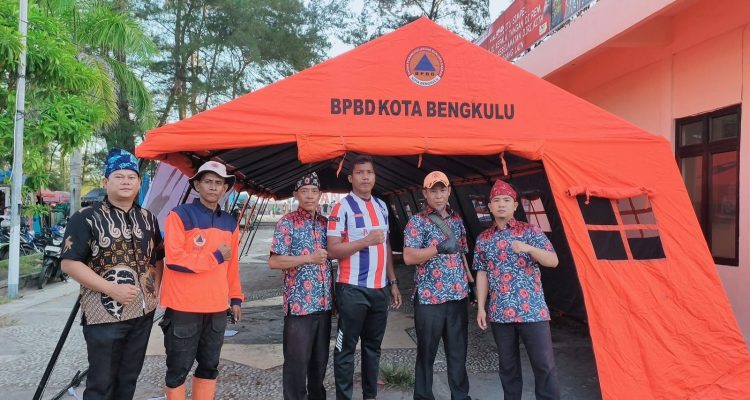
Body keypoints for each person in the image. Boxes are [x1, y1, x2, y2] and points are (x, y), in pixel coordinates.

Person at [61, 148, 164, 400]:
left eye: (131, 177)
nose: (126, 181)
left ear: (139, 182)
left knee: (128, 380)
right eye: (119, 176)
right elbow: (70, 263)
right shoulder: (86, 218)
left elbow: (158, 257)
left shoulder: (148, 219)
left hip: (142, 315)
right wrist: (110, 289)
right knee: (101, 384)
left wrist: (154, 291)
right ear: (105, 182)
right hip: (103, 316)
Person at [160, 161, 244, 400]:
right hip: (183, 307)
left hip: (216, 308)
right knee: (178, 369)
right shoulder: (179, 215)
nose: (213, 187)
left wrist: (236, 298)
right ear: (197, 185)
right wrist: (214, 257)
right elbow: (174, 259)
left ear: (225, 188)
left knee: (209, 367)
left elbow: (232, 265)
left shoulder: (230, 222)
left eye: (219, 183)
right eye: (208, 182)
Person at [473, 180, 560, 400]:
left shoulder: (530, 231)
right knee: (508, 368)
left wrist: (529, 248)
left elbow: (553, 261)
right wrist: (481, 307)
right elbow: (482, 273)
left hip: (532, 310)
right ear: (490, 207)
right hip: (500, 313)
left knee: (544, 365)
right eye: (496, 201)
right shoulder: (483, 239)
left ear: (515, 205)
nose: (501, 204)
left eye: (506, 200)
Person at [327, 155, 402, 400]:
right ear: (350, 178)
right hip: (352, 289)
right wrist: (365, 241)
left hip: (379, 289)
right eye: (360, 173)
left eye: (369, 172)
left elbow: (386, 245)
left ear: (375, 177)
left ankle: (370, 396)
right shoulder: (341, 208)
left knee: (373, 348)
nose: (365, 177)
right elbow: (332, 250)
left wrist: (392, 281)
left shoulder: (381, 206)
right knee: (345, 349)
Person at [403, 171, 474, 400]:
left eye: (442, 190)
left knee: (458, 352)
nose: (438, 195)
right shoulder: (417, 221)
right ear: (425, 193)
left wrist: (470, 283)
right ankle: (423, 396)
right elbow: (408, 257)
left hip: (457, 296)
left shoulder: (457, 220)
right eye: (433, 191)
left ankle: (460, 396)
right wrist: (438, 248)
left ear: (449, 191)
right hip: (429, 298)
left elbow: (462, 254)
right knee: (426, 353)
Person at [268, 172, 333, 400]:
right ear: (296, 194)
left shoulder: (325, 224)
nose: (309, 196)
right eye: (304, 191)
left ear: (320, 194)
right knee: (296, 368)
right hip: (299, 308)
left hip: (324, 307)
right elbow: (274, 261)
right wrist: (308, 258)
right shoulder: (287, 222)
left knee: (319, 366)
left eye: (314, 191)